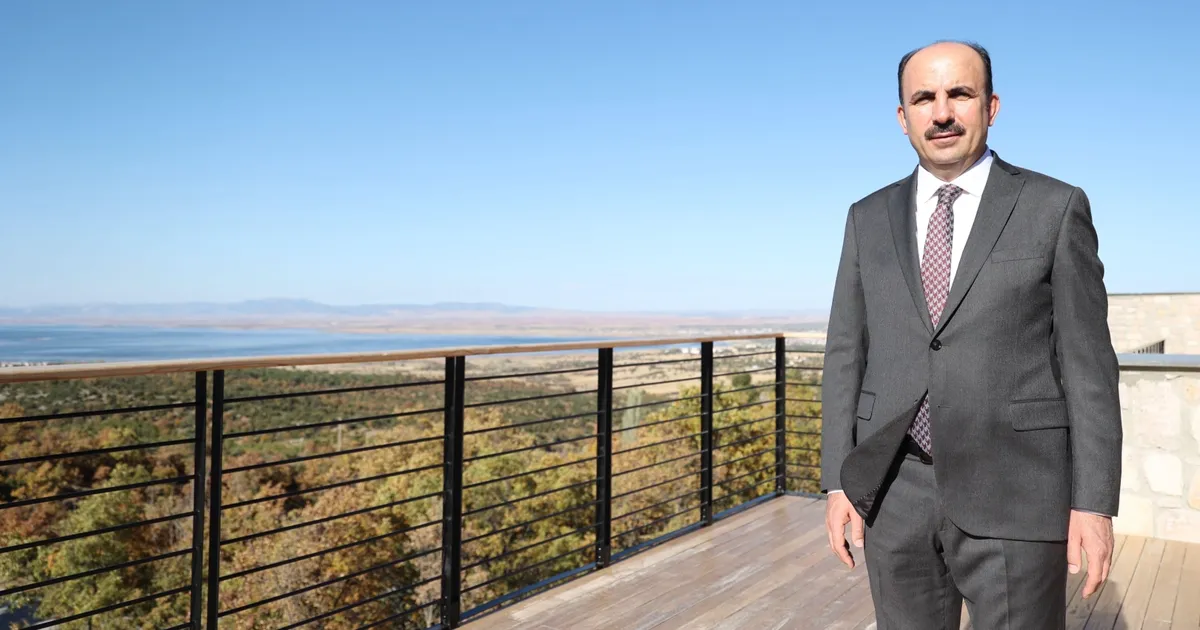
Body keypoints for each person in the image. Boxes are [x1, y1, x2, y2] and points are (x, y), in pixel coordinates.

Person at [819, 40, 1122, 630]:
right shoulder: (866, 217)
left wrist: (1093, 502)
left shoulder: (1054, 207)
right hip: (893, 494)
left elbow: (1088, 366)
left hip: (1019, 494)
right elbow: (845, 354)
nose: (942, 113)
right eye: (923, 99)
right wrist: (836, 482)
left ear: (991, 106)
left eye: (959, 93)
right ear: (902, 117)